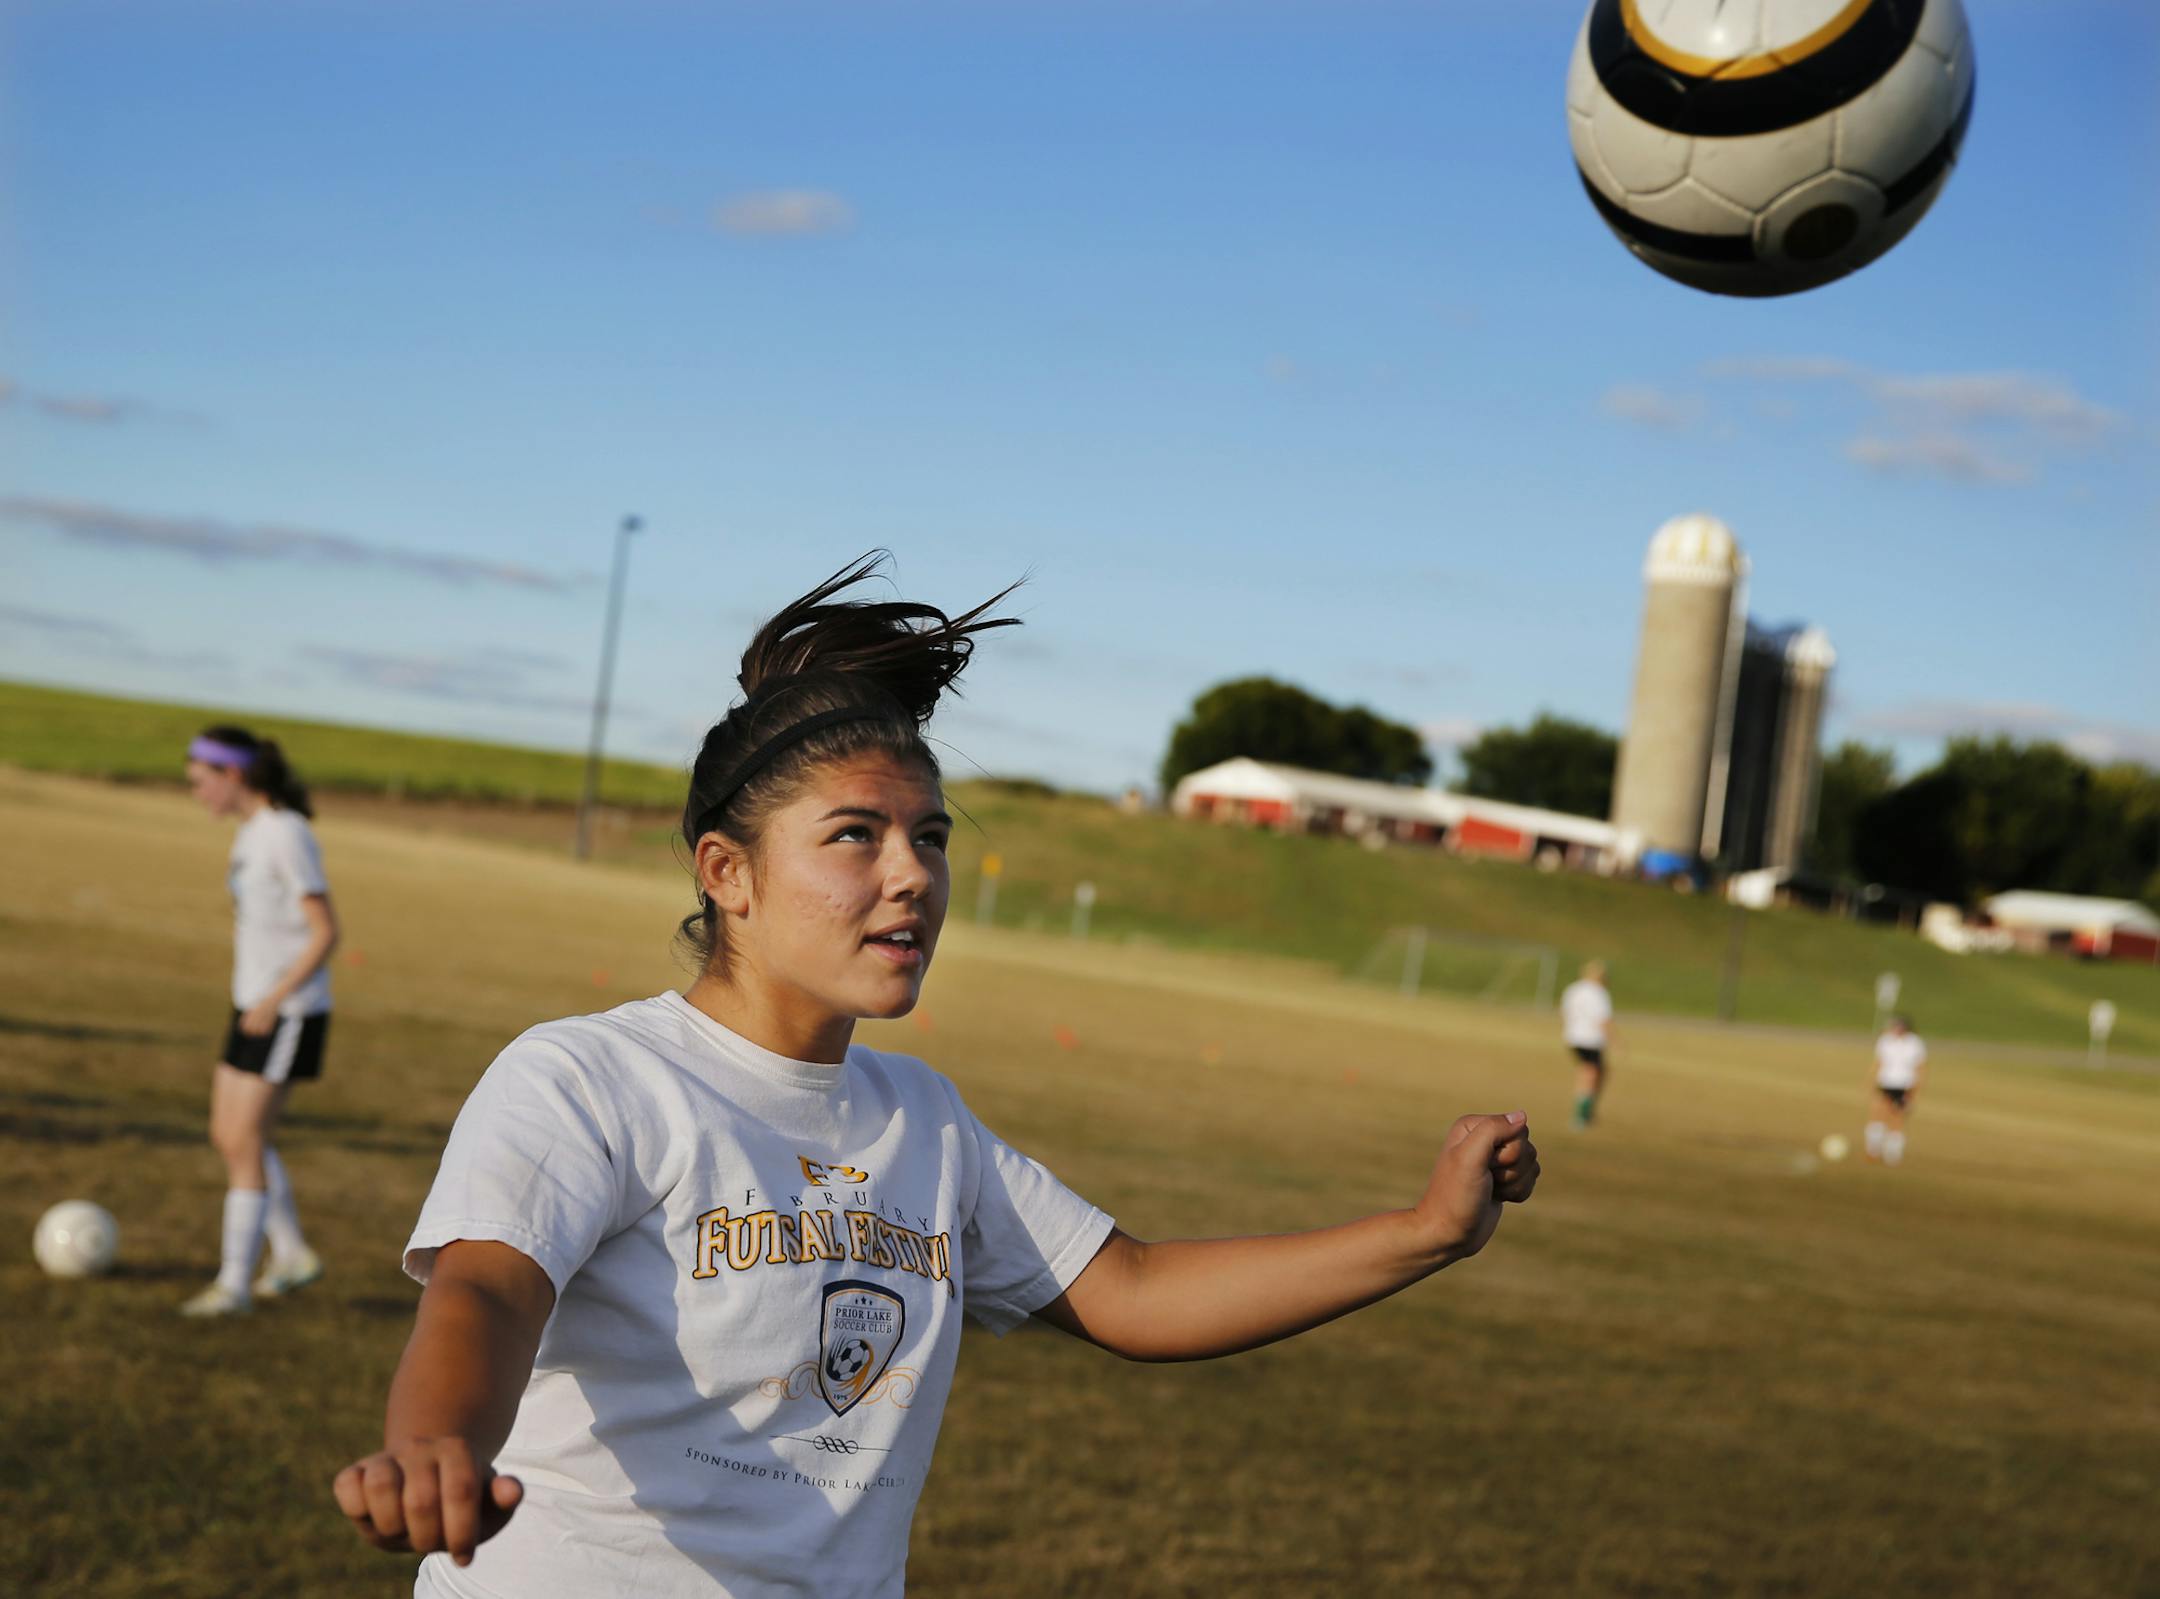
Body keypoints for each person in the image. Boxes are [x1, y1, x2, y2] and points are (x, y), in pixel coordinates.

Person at [332, 555, 1540, 1598]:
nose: (911, 875)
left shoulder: (925, 1123)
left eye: (932, 837)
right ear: (727, 873)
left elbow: (1136, 1290)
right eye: (855, 834)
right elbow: (489, 1289)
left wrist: (1426, 1232)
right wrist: (434, 1442)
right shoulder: (593, 1077)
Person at [182, 726, 338, 1317]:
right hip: (253, 1005)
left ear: (233, 775)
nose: (196, 793)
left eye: (200, 781)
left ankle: (233, 1287)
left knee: (244, 1141)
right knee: (231, 1136)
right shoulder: (253, 833)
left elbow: (326, 931)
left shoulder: (285, 834)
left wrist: (275, 999)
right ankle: (292, 1253)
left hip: (287, 1012)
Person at [1559, 958, 1615, 1130]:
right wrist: (1616, 1041)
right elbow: (1603, 1020)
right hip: (1590, 1039)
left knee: (1592, 1072)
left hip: (1573, 1037)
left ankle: (1587, 1111)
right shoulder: (1598, 993)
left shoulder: (1573, 989)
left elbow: (1564, 1011)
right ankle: (1582, 1115)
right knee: (1590, 1074)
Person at [1865, 1013, 1926, 1166]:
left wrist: (1915, 1091)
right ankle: (1873, 1150)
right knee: (1877, 1114)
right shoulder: (1885, 1041)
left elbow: (1921, 1068)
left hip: (1904, 1085)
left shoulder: (1915, 1043)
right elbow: (1879, 1062)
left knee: (1896, 1119)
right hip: (1885, 1082)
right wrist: (1871, 1080)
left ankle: (1892, 1154)